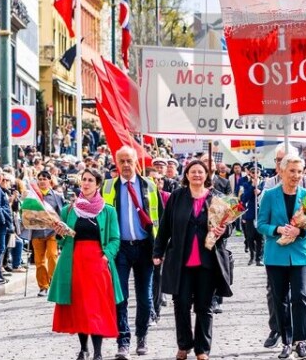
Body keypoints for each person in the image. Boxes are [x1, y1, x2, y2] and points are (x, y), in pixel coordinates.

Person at [153, 160, 233, 360]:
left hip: (208, 261)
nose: (197, 175)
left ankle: (202, 349)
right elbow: (164, 227)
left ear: (206, 175)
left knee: (204, 307)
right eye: (193, 172)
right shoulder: (177, 197)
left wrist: (223, 230)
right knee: (180, 304)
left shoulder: (217, 198)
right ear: (186, 175)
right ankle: (184, 344)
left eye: (201, 172)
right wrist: (157, 251)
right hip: (181, 261)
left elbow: (228, 227)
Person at [49, 169, 121, 360]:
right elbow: (62, 241)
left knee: (96, 307)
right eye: (84, 180)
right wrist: (58, 232)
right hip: (75, 264)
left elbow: (115, 238)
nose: (86, 183)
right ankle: (84, 348)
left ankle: (97, 352)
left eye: (90, 180)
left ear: (98, 185)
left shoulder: (108, 211)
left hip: (98, 264)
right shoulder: (69, 210)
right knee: (80, 307)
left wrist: (106, 257)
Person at [101, 146, 160, 359]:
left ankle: (142, 336)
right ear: (117, 163)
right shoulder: (107, 187)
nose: (126, 165)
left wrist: (159, 248)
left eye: (129, 160)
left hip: (145, 247)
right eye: (122, 161)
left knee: (145, 297)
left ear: (136, 162)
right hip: (120, 249)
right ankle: (123, 341)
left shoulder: (149, 186)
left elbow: (159, 218)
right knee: (121, 297)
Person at [257, 154, 306, 360]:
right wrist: (278, 229)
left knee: (300, 297)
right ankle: (286, 341)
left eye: (299, 171)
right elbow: (261, 224)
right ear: (281, 171)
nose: (296, 175)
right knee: (280, 299)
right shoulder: (270, 195)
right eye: (292, 171)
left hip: (300, 255)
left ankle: (301, 341)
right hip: (276, 255)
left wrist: (300, 232)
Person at [29, 170, 65, 297]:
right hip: (36, 233)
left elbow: (62, 213)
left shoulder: (57, 196)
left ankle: (53, 282)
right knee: (39, 261)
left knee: (52, 255)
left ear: (50, 181)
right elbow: (27, 213)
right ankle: (43, 286)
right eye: (40, 179)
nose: (42, 181)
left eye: (45, 178)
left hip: (52, 232)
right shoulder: (32, 196)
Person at [237, 164, 263, 266]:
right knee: (250, 236)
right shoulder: (245, 184)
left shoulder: (264, 183)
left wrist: (260, 192)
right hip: (250, 214)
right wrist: (252, 187)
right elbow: (243, 198)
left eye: (257, 172)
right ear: (250, 173)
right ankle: (252, 255)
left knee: (261, 237)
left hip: (261, 214)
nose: (255, 174)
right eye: (253, 172)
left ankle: (259, 258)